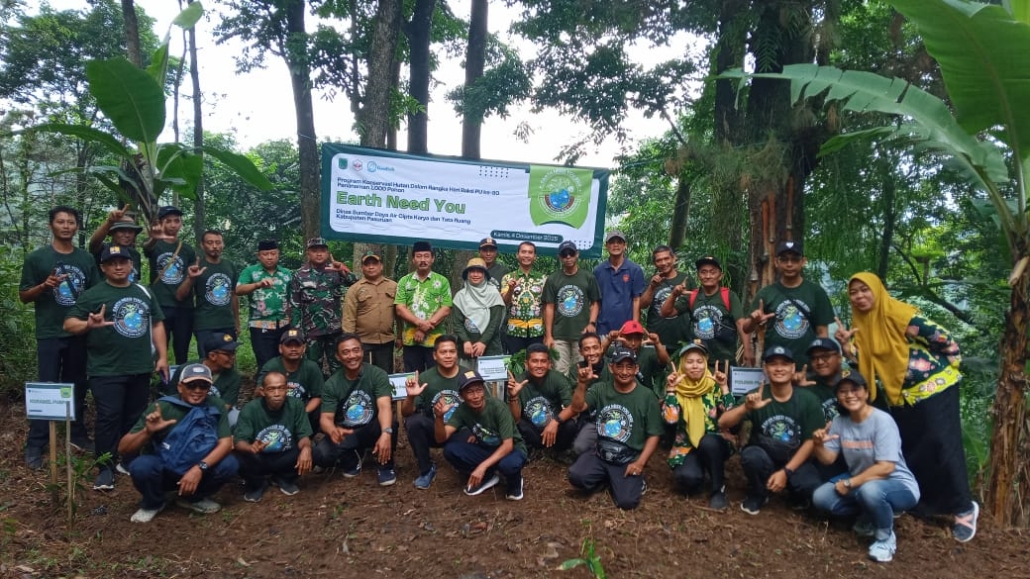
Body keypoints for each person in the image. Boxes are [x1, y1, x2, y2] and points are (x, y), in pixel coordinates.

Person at [836, 272, 978, 542]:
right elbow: (866, 365)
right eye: (853, 292)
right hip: (900, 395)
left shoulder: (899, 314)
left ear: (878, 290)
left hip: (935, 386)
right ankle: (924, 504)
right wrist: (846, 347)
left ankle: (964, 508)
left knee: (942, 443)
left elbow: (942, 337)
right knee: (913, 448)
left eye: (865, 290)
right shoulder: (862, 325)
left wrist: (951, 364)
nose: (859, 296)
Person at [65, 244, 168, 491]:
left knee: (135, 416)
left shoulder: (144, 291)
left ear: (131, 264)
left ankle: (129, 459)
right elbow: (69, 324)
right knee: (109, 417)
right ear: (103, 268)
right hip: (106, 369)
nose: (118, 267)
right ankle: (105, 468)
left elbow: (157, 324)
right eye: (112, 263)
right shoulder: (93, 295)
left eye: (123, 261)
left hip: (140, 366)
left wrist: (163, 356)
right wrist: (88, 325)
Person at [811, 371, 920, 563]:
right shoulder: (839, 422)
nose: (849, 395)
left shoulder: (882, 421)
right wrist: (818, 444)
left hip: (898, 484)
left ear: (866, 393)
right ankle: (870, 516)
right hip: (862, 483)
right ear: (838, 397)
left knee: (870, 491)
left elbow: (886, 467)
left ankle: (885, 539)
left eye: (855, 389)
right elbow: (828, 459)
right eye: (843, 391)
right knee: (821, 497)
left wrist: (850, 483)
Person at [20, 205, 99, 468]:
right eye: (61, 222)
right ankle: (37, 442)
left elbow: (95, 294)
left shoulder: (86, 259)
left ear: (77, 226)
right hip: (49, 332)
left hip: (79, 331)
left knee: (77, 384)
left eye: (71, 222)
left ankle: (77, 434)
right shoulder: (37, 258)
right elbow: (24, 296)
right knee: (47, 386)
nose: (66, 226)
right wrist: (44, 286)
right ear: (51, 225)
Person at [118, 363, 238, 523]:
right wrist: (147, 431)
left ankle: (193, 498)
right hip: (164, 468)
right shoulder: (162, 407)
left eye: (203, 386)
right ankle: (154, 502)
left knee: (229, 464)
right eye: (191, 385)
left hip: (198, 467)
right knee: (141, 466)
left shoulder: (216, 405)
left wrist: (199, 468)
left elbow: (226, 443)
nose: (197, 390)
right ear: (180, 387)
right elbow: (123, 448)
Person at [718, 346, 824, 515]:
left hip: (795, 459)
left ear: (793, 368)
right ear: (765, 369)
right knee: (751, 456)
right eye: (773, 364)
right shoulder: (757, 395)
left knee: (810, 486)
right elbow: (723, 422)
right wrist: (746, 407)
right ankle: (759, 492)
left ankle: (795, 494)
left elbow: (811, 442)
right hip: (765, 457)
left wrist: (786, 472)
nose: (779, 368)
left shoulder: (808, 400)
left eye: (784, 364)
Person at [566, 347, 663, 510]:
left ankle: (631, 481)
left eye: (629, 367)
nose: (624, 372)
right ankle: (609, 478)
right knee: (576, 477)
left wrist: (640, 463)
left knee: (626, 502)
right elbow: (577, 408)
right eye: (619, 366)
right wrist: (582, 384)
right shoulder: (600, 389)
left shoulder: (647, 396)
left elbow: (654, 434)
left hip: (627, 458)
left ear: (636, 369)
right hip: (601, 453)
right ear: (611, 368)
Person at [312, 333, 398, 486]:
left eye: (355, 350)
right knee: (320, 455)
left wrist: (386, 432)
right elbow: (326, 418)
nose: (352, 356)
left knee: (390, 424)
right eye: (346, 352)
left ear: (362, 352)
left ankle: (385, 465)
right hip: (347, 431)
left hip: (371, 428)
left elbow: (384, 406)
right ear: (338, 356)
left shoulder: (377, 374)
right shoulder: (332, 384)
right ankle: (352, 459)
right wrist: (332, 430)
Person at [436, 370, 528, 500]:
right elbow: (441, 438)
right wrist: (439, 417)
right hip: (488, 448)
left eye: (479, 390)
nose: (476, 396)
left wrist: (482, 466)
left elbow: (508, 445)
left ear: (484, 390)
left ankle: (515, 481)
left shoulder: (498, 407)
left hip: (513, 449)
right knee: (450, 450)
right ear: (461, 395)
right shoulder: (462, 410)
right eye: (470, 392)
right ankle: (488, 476)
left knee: (508, 465)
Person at [662, 343, 734, 509]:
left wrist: (724, 387)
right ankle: (701, 471)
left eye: (699, 361)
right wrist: (671, 391)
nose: (695, 366)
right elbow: (670, 420)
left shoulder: (713, 385)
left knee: (708, 443)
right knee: (688, 479)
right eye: (689, 362)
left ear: (705, 363)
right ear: (682, 364)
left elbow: (731, 414)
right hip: (687, 446)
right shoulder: (676, 387)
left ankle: (718, 489)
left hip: (714, 443)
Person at [741, 240, 834, 368]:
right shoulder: (766, 293)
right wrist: (754, 320)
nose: (789, 264)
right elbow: (746, 328)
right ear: (776, 262)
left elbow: (822, 333)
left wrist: (822, 362)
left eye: (795, 260)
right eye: (784, 259)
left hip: (808, 366)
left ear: (803, 262)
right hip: (775, 366)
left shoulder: (816, 292)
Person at [400, 336, 469, 489]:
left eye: (452, 351)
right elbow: (406, 412)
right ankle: (426, 469)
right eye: (443, 352)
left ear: (457, 354)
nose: (448, 355)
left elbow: (484, 406)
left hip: (461, 431)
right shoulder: (425, 378)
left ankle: (466, 465)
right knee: (414, 422)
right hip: (436, 429)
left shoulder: (468, 375)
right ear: (435, 355)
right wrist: (410, 397)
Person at [234, 371, 314, 502]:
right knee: (237, 456)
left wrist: (306, 448)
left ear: (287, 389)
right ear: (263, 391)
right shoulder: (250, 409)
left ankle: (284, 478)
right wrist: (250, 447)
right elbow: (239, 441)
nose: (277, 393)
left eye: (281, 388)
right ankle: (257, 484)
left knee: (312, 450)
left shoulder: (296, 405)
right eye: (271, 389)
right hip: (259, 457)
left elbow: (303, 435)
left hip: (285, 455)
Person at [662, 255, 754, 367]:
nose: (708, 276)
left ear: (720, 276)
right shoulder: (692, 296)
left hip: (724, 360)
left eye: (712, 272)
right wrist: (674, 295)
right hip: (698, 361)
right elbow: (666, 312)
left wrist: (747, 350)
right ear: (698, 275)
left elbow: (740, 323)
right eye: (703, 272)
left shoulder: (729, 296)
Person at [288, 237, 356, 376]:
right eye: (315, 251)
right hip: (312, 331)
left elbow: (356, 283)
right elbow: (295, 306)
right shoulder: (299, 275)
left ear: (327, 253)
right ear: (308, 253)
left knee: (338, 366)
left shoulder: (335, 271)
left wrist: (342, 270)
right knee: (312, 368)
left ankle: (337, 389)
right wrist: (296, 332)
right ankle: (316, 390)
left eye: (322, 250)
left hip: (335, 330)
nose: (319, 254)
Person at [143, 205, 197, 365]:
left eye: (176, 221)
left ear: (181, 223)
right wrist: (154, 237)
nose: (173, 225)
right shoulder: (155, 245)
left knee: (182, 348)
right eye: (168, 221)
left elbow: (190, 275)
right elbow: (147, 248)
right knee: (160, 348)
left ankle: (180, 376)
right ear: (161, 223)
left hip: (183, 307)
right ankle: (161, 376)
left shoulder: (187, 249)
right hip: (160, 304)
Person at [177, 230, 238, 358]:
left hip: (227, 323)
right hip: (205, 323)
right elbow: (180, 295)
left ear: (223, 244)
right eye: (210, 242)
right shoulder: (196, 266)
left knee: (228, 359)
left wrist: (236, 321)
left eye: (218, 242)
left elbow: (233, 294)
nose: (214, 246)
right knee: (208, 359)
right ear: (202, 245)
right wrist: (191, 278)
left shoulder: (229, 266)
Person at [506, 343, 577, 453]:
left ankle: (558, 452)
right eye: (535, 361)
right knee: (519, 425)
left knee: (570, 425)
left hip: (555, 428)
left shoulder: (558, 379)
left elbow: (573, 408)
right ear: (526, 364)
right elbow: (516, 419)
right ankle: (533, 451)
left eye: (543, 361)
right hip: (533, 431)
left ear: (549, 364)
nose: (539, 365)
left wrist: (555, 422)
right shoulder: (519, 382)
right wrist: (513, 396)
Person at [543, 240, 601, 375]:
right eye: (564, 254)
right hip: (559, 335)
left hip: (582, 334)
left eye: (571, 253)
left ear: (577, 254)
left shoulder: (588, 277)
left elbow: (595, 302)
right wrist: (548, 335)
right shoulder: (553, 279)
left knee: (581, 371)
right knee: (560, 372)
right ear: (560, 257)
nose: (568, 257)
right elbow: (549, 307)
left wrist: (592, 323)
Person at [395, 241, 453, 372]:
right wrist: (420, 324)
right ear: (413, 259)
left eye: (426, 256)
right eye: (419, 256)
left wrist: (424, 329)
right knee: (413, 377)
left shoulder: (442, 281)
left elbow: (445, 309)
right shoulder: (404, 281)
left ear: (432, 259)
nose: (423, 260)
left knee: (438, 376)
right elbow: (400, 309)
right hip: (411, 340)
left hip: (436, 341)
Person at [256, 328, 325, 436]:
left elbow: (318, 396)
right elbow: (258, 392)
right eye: (288, 345)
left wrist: (303, 413)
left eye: (297, 345)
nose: (293, 349)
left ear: (304, 348)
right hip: (276, 409)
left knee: (321, 408)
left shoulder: (311, 367)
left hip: (302, 409)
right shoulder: (271, 366)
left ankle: (310, 436)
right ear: (280, 348)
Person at [236, 240, 292, 371]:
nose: (269, 257)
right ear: (259, 256)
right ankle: (263, 383)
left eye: (273, 253)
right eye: (265, 254)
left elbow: (292, 297)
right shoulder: (250, 271)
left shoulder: (286, 273)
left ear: (278, 254)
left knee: (285, 361)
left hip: (284, 325)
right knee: (265, 363)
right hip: (260, 326)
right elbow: (238, 290)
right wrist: (257, 285)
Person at [166, 333, 243, 426]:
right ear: (212, 356)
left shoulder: (234, 377)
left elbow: (225, 407)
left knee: (235, 418)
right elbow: (172, 398)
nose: (233, 357)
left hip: (214, 413)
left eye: (233, 353)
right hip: (183, 410)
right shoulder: (185, 369)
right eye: (228, 354)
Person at [342, 250, 398, 373]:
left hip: (386, 340)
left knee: (384, 374)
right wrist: (349, 341)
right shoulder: (355, 289)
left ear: (381, 266)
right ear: (362, 267)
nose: (371, 267)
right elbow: (348, 318)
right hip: (363, 341)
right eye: (367, 264)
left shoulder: (393, 286)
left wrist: (400, 336)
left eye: (374, 263)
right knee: (362, 375)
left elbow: (399, 313)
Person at [638, 245, 691, 351]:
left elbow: (695, 304)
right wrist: (652, 287)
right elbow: (642, 305)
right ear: (655, 263)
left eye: (666, 258)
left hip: (682, 339)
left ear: (674, 258)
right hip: (655, 337)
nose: (663, 263)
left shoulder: (686, 279)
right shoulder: (651, 280)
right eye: (659, 260)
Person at [593, 230, 645, 337]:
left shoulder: (635, 270)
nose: (615, 245)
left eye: (619, 242)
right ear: (606, 246)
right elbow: (595, 302)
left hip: (626, 329)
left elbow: (636, 300)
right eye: (612, 242)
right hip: (603, 328)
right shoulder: (598, 271)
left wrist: (634, 326)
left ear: (625, 245)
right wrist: (592, 324)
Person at [452, 257, 505, 363]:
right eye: (472, 271)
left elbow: (495, 323)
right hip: (466, 349)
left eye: (479, 271)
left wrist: (483, 342)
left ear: (485, 274)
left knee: (490, 374)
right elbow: (457, 323)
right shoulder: (460, 296)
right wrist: (466, 341)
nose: (475, 274)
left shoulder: (493, 294)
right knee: (467, 374)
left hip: (490, 348)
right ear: (467, 274)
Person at [599, 320, 669, 398]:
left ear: (642, 339)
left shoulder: (649, 353)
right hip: (617, 395)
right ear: (621, 337)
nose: (633, 343)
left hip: (643, 397)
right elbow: (598, 355)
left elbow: (664, 361)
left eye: (637, 339)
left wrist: (657, 343)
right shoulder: (615, 351)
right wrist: (609, 339)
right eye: (629, 338)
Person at [500, 241, 547, 355]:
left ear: (535, 256)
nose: (526, 255)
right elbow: (505, 302)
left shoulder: (543, 279)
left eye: (530, 252)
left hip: (537, 331)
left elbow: (547, 306)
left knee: (536, 361)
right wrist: (511, 289)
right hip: (514, 330)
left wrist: (548, 333)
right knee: (516, 363)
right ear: (517, 255)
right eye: (523, 252)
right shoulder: (508, 277)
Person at [569, 332, 606, 456]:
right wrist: (583, 382)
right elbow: (576, 406)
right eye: (586, 349)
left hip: (613, 415)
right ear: (580, 352)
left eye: (595, 348)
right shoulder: (576, 370)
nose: (591, 353)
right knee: (579, 448)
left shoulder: (613, 366)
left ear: (601, 348)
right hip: (589, 417)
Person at [87, 204, 143, 282]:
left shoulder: (135, 254)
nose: (127, 235)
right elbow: (94, 243)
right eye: (122, 231)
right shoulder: (104, 250)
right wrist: (109, 222)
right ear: (113, 233)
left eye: (130, 232)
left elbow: (135, 278)